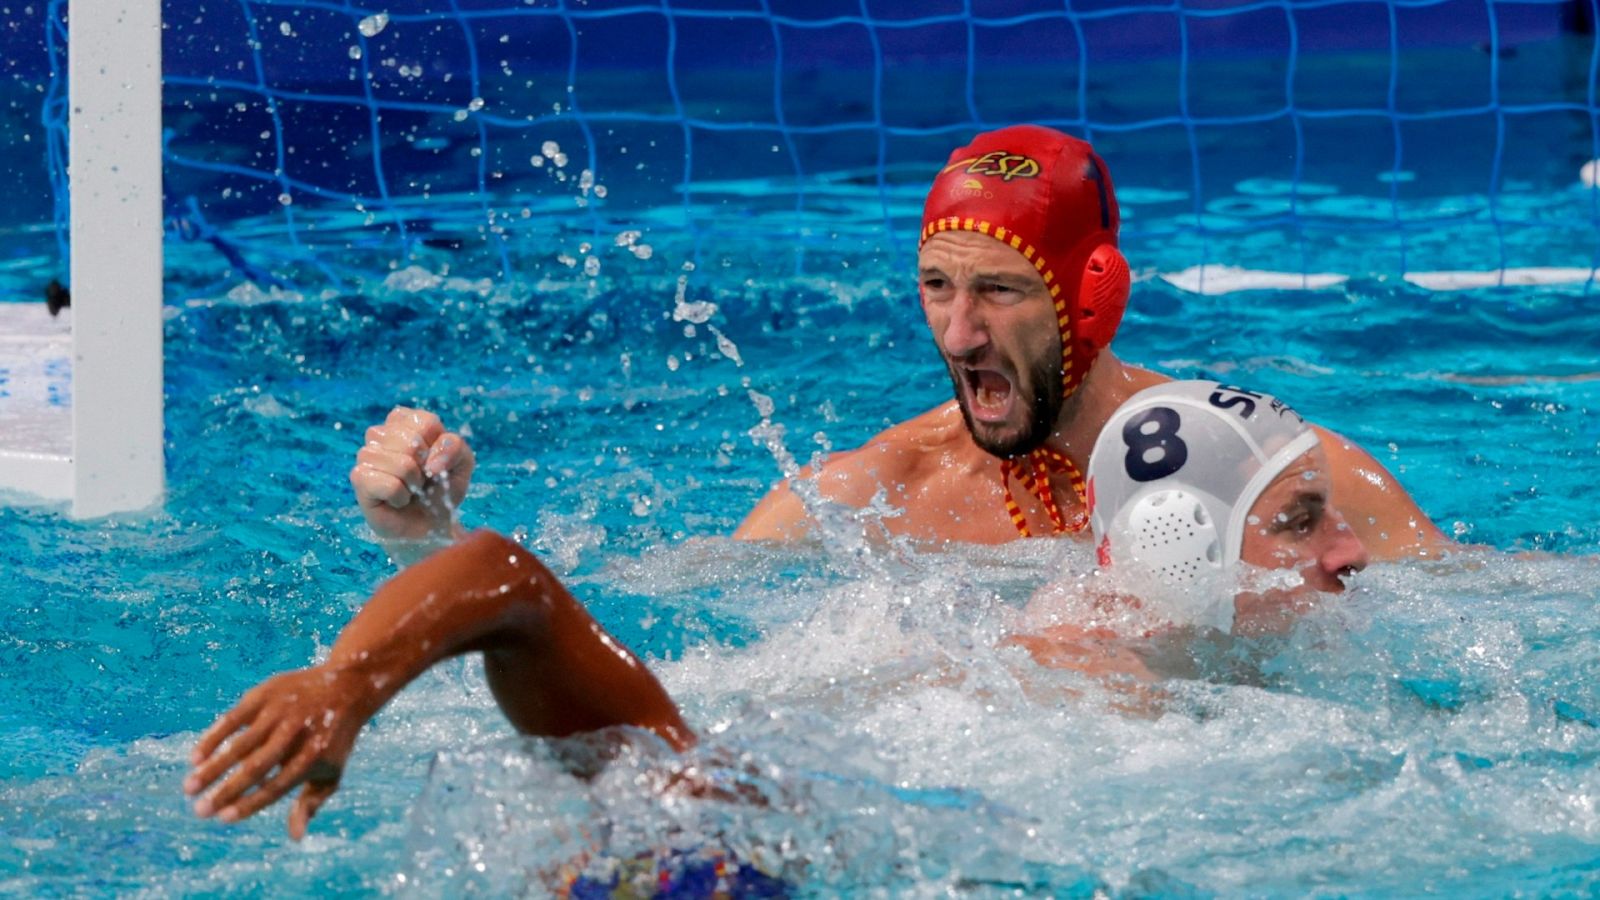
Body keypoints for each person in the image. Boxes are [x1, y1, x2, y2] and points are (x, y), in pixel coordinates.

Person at [189, 382, 1367, 853]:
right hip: (734, 825)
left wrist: (345, 686)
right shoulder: (1100, 678)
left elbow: (515, 586)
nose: (1348, 553)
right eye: (1304, 520)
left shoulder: (1094, 649)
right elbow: (509, 578)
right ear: (1183, 543)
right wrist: (343, 675)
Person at [349, 125, 1445, 561]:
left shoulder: (1273, 477)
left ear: (1092, 298)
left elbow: (1491, 616)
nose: (959, 333)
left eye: (1001, 293)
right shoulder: (870, 494)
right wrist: (427, 543)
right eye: (934, 287)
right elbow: (646, 636)